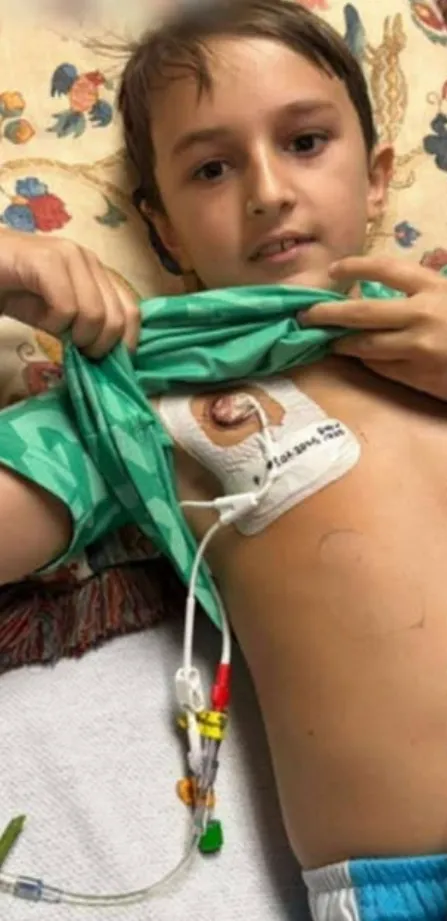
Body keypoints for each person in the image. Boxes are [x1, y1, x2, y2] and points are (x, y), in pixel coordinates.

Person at [2, 1, 447, 917]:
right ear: (163, 231)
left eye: (305, 142)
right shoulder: (146, 404)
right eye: (211, 167)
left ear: (377, 179)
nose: (268, 191)